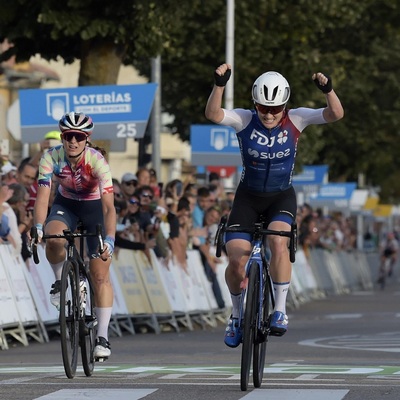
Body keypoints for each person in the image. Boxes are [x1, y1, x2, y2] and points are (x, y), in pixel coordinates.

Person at [205, 63, 344, 347]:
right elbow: (213, 114)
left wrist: (328, 90)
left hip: (281, 196)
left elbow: (335, 114)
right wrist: (219, 85)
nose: (268, 114)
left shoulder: (297, 118)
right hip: (248, 197)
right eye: (263, 108)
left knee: (279, 244)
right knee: (235, 260)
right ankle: (235, 315)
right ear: (254, 104)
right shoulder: (244, 119)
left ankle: (279, 310)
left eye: (275, 108)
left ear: (285, 105)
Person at [33, 111, 116, 360]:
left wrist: (110, 239)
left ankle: (102, 337)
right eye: (68, 136)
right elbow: (42, 198)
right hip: (65, 204)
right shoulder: (50, 157)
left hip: (93, 208)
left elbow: (109, 207)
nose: (73, 141)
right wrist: (38, 226)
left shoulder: (97, 161)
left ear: (86, 139)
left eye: (78, 137)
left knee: (100, 273)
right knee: (53, 236)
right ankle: (60, 282)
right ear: (62, 136)